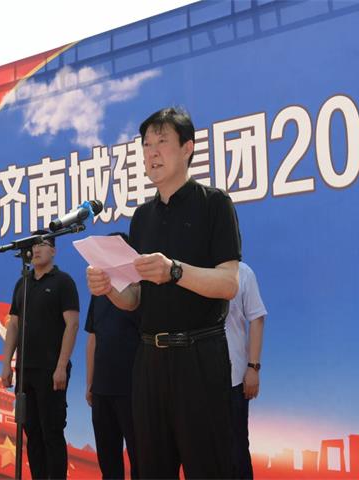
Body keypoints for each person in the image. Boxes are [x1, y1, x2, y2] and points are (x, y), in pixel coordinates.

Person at [86, 107, 242, 479]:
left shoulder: (214, 204)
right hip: (149, 360)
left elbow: (229, 283)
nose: (152, 152)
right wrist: (110, 290)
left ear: (187, 148)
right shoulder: (142, 217)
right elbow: (136, 299)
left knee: (210, 467)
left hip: (199, 356)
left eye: (162, 142)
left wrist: (174, 271)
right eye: (146, 145)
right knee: (152, 468)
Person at [0, 230, 80, 479]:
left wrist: (61, 366)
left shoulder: (63, 282)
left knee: (51, 432)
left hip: (51, 370)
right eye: (33, 245)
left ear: (53, 251)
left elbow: (72, 324)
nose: (36, 249)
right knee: (31, 431)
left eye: (42, 244)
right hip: (26, 371)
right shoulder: (22, 283)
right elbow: (13, 325)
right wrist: (6, 364)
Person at [85, 233, 140, 479]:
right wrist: (90, 383)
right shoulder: (99, 291)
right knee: (108, 460)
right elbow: (93, 337)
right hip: (102, 388)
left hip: (133, 388)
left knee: (141, 457)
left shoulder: (140, 287)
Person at [225, 262, 267, 479]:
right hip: (198, 378)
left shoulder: (243, 272)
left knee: (237, 448)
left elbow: (257, 318)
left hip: (234, 376)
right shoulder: (192, 269)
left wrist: (253, 367)